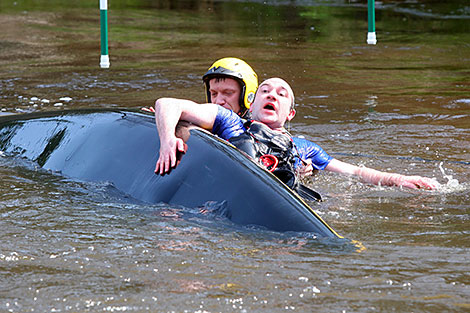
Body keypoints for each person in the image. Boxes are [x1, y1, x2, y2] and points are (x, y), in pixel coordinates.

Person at [154, 78, 439, 190]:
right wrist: (167, 139)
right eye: (264, 91)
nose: (272, 95)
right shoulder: (229, 122)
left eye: (282, 94)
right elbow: (167, 104)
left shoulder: (304, 149)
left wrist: (399, 179)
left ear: (290, 113)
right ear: (250, 104)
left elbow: (355, 173)